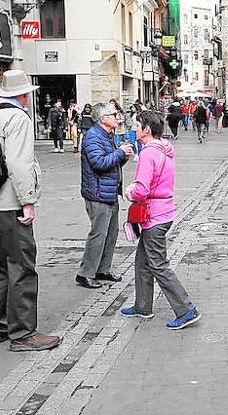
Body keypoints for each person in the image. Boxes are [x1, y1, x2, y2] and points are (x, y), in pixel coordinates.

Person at [0, 70, 61, 353]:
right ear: (23, 95)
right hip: (10, 203)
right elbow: (20, 164)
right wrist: (28, 201)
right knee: (22, 266)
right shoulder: (17, 118)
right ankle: (23, 333)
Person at [120, 110, 201, 330]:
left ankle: (186, 310)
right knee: (142, 262)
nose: (134, 129)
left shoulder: (148, 153)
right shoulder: (164, 149)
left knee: (158, 264)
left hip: (154, 215)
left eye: (137, 126)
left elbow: (142, 189)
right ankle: (143, 306)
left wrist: (129, 192)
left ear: (146, 129)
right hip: (163, 212)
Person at [77, 102, 134, 289]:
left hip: (108, 191)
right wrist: (119, 153)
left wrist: (122, 157)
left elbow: (111, 165)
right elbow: (99, 163)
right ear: (103, 119)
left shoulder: (107, 135)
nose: (117, 117)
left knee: (110, 233)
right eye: (113, 114)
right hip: (98, 193)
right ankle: (85, 273)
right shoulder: (93, 136)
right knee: (98, 234)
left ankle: (102, 269)